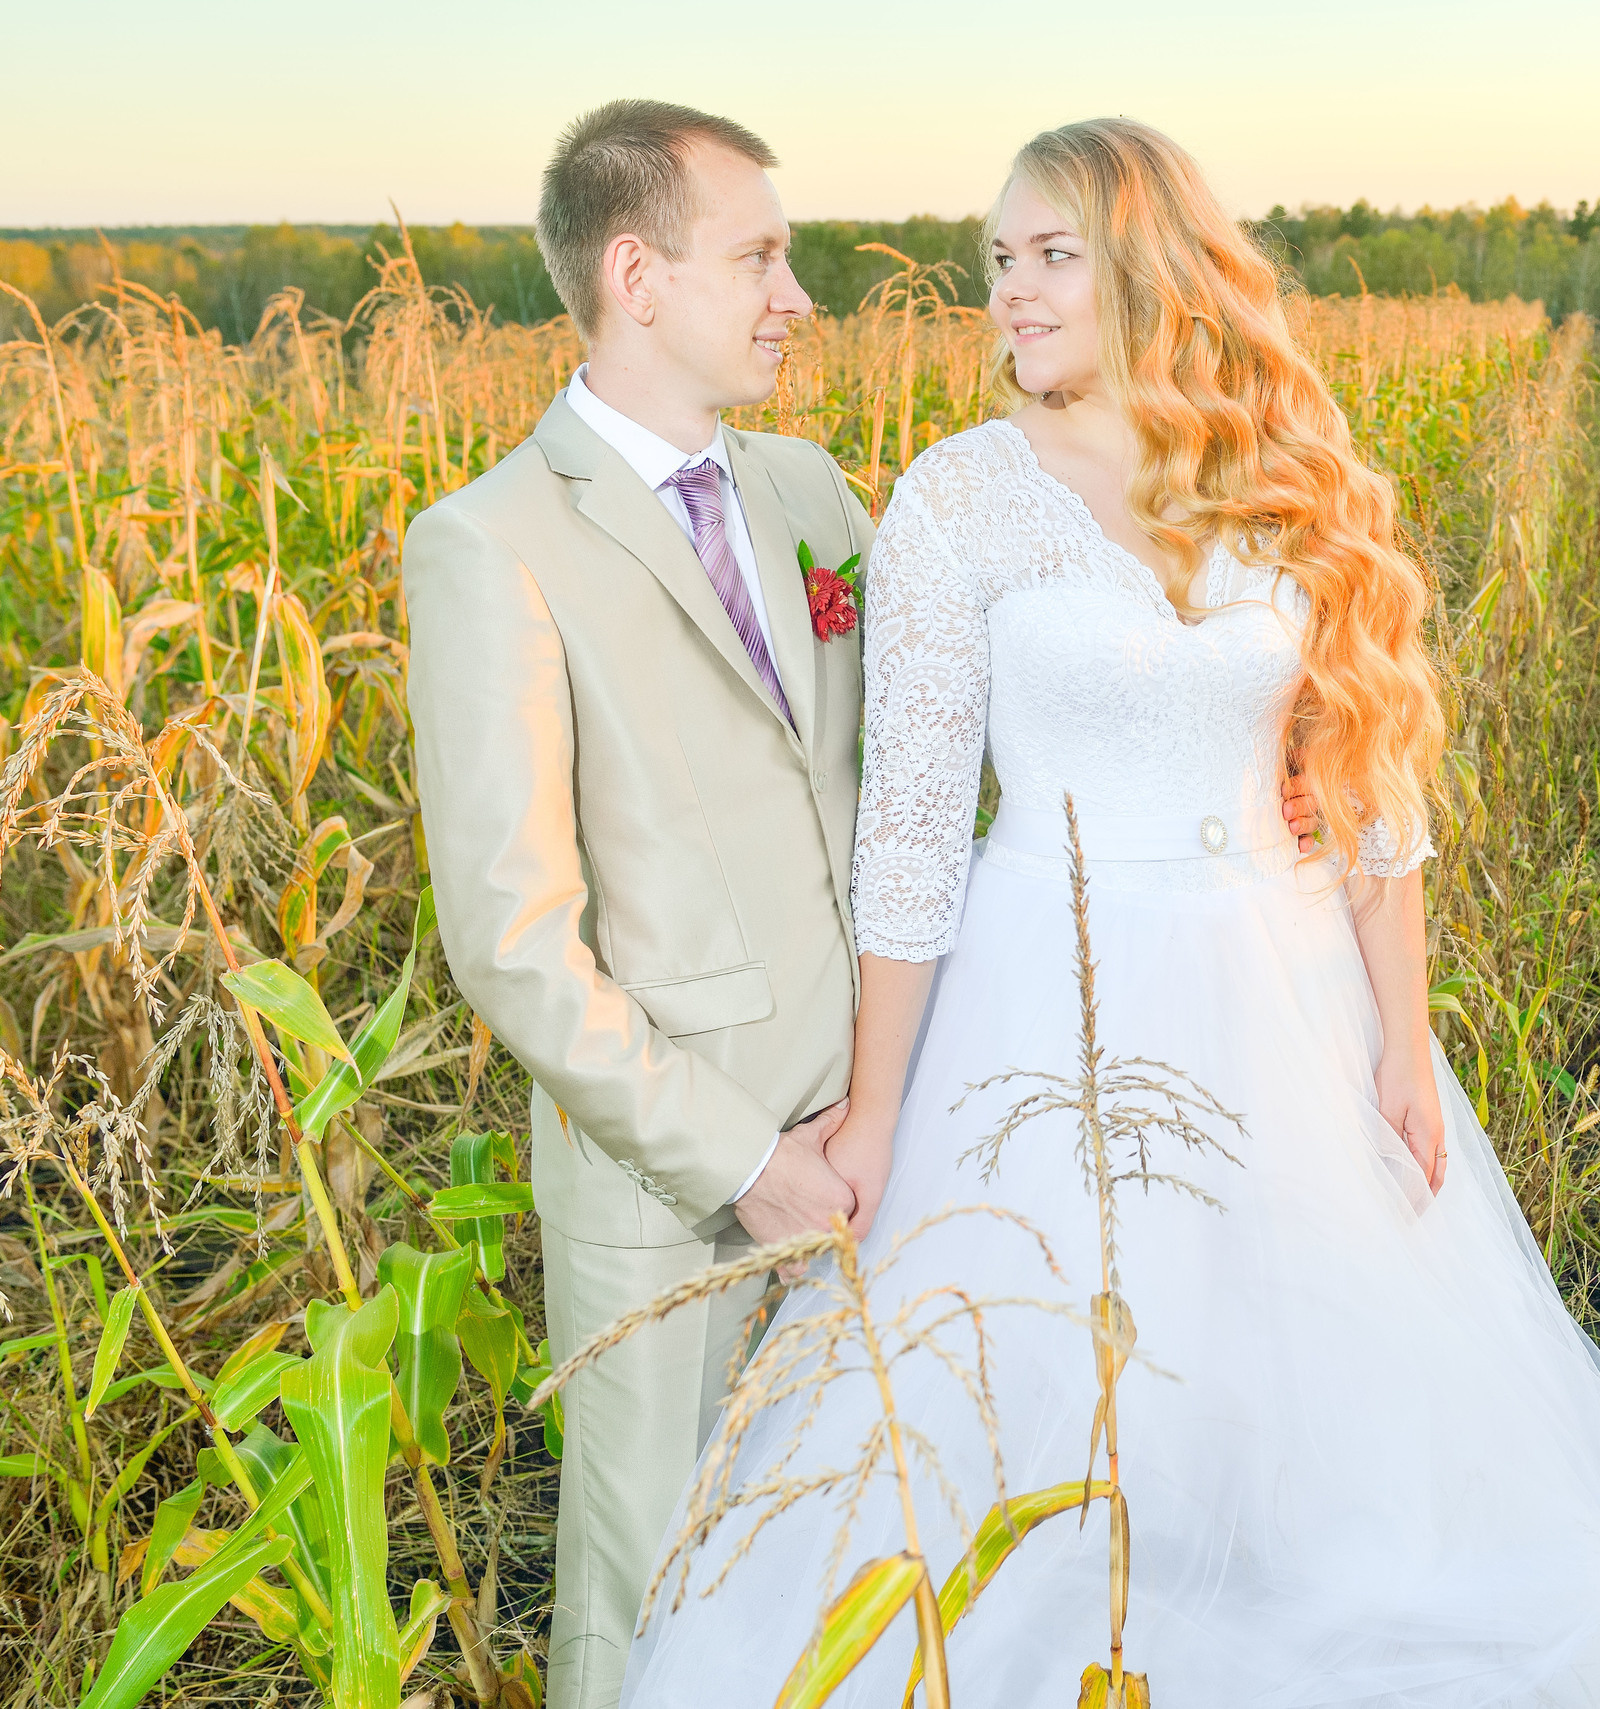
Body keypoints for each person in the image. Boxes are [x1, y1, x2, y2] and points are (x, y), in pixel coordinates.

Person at [619, 117, 1600, 1705]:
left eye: (1051, 256)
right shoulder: (957, 499)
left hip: (1284, 989)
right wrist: (876, 1109)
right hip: (1044, 983)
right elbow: (916, 834)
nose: (1010, 291)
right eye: (998, 260)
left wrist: (1406, 1044)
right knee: (1036, 1396)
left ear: (1147, 265)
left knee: (1325, 1407)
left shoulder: (1283, 479)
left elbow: (1367, 787)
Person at [403, 100, 876, 1709]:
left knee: (866, 1594)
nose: (794, 295)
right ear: (637, 274)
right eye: (758, 255)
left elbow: (931, 747)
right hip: (678, 1201)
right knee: (664, 1615)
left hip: (882, 1149)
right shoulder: (489, 546)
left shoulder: (815, 494)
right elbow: (517, 949)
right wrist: (749, 1164)